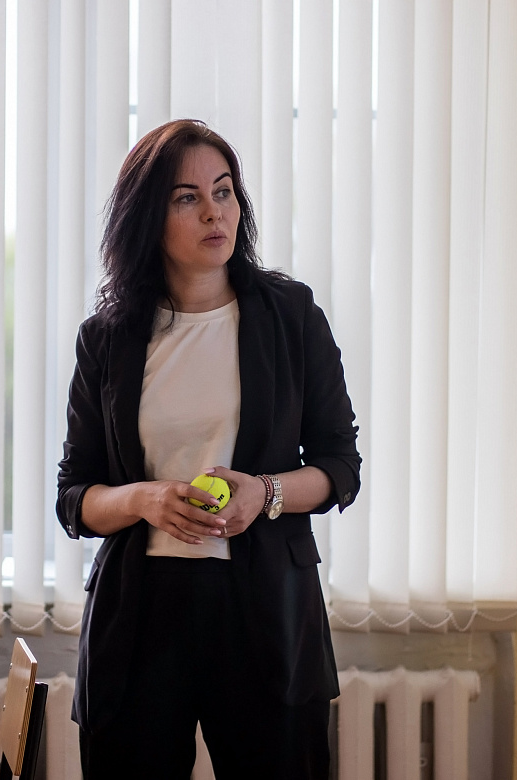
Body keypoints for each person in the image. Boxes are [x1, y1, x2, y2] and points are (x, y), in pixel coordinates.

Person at [56, 119, 361, 779]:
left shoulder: (291, 316)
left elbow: (340, 465)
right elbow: (75, 497)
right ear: (148, 217)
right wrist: (144, 499)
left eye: (223, 192)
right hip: (141, 616)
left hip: (265, 610)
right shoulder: (106, 338)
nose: (213, 212)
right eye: (186, 198)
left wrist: (265, 492)